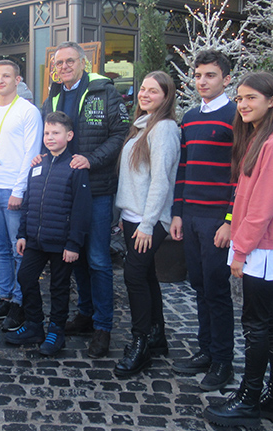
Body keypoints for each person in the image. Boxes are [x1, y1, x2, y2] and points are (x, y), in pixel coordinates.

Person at [203, 72, 273, 428]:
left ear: (271, 101)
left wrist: (241, 250)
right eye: (241, 99)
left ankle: (249, 398)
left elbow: (261, 206)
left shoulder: (272, 145)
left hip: (262, 247)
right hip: (266, 245)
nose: (244, 105)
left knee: (257, 324)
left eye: (251, 98)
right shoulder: (262, 139)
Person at [41, 41, 129, 358]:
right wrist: (41, 158)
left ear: (83, 62)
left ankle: (103, 327)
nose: (63, 67)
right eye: (58, 63)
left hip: (97, 188)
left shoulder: (104, 91)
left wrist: (92, 159)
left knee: (98, 259)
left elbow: (121, 134)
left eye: (69, 61)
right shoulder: (53, 94)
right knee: (74, 255)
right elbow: (49, 134)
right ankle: (86, 314)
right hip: (66, 190)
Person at [169, 49, 237, 391]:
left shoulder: (235, 115)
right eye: (197, 75)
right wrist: (177, 213)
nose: (202, 81)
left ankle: (224, 361)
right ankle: (206, 350)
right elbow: (183, 168)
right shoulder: (191, 117)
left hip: (217, 218)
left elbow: (240, 173)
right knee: (198, 286)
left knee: (217, 289)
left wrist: (229, 219)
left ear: (225, 78)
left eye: (209, 75)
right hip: (191, 214)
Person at [5, 111, 91, 356]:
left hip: (61, 242)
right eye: (47, 133)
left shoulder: (75, 167)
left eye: (56, 133)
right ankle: (34, 325)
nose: (50, 137)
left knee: (60, 287)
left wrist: (74, 244)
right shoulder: (38, 164)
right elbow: (29, 202)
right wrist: (22, 234)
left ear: (69, 135)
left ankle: (56, 330)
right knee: (25, 277)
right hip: (35, 239)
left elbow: (81, 209)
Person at [113, 71, 181, 377]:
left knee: (134, 276)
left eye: (153, 91)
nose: (145, 95)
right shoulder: (142, 125)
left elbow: (161, 181)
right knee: (148, 276)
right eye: (143, 89)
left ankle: (139, 343)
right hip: (132, 217)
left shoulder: (164, 128)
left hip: (147, 220)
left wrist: (148, 223)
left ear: (166, 97)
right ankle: (157, 336)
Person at [0, 60, 42, 332]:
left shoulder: (28, 111)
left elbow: (31, 152)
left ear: (18, 80)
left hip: (14, 189)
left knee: (18, 250)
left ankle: (20, 301)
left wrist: (19, 190)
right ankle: (4, 297)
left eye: (6, 76)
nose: (0, 81)